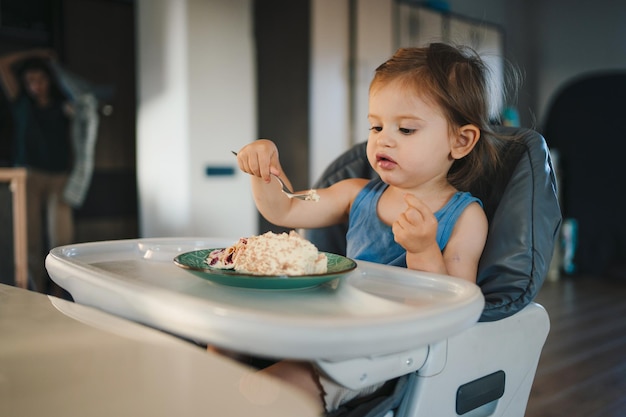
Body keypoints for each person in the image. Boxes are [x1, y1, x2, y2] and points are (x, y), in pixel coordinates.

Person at [233, 42, 519, 413]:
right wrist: (262, 167)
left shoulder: (464, 217)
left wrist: (423, 250)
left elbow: (455, 306)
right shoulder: (354, 194)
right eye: (376, 126)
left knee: (260, 393)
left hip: (380, 354)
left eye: (406, 129)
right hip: (333, 325)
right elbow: (286, 208)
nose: (383, 138)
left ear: (460, 141)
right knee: (221, 342)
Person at [0, 49, 74, 296]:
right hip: (28, 176)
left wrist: (51, 63)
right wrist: (36, 53)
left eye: (40, 80)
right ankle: (36, 292)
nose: (35, 86)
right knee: (29, 239)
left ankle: (59, 292)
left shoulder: (64, 105)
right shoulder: (20, 101)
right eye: (30, 81)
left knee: (61, 237)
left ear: (49, 81)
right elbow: (3, 64)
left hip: (59, 176)